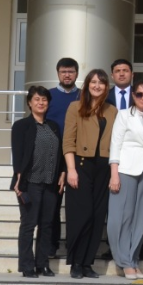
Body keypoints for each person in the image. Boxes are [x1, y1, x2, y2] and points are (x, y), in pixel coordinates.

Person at [61, 69, 117, 279]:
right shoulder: (75, 107)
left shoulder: (112, 111)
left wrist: (114, 172)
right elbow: (68, 141)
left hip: (103, 167)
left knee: (97, 216)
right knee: (81, 215)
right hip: (81, 166)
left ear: (106, 87)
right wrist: (71, 170)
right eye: (93, 82)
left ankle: (87, 263)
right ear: (86, 85)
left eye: (101, 82)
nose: (97, 86)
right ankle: (76, 262)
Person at [107, 80, 143, 280]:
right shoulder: (123, 115)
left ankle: (133, 259)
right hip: (126, 169)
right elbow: (115, 144)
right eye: (139, 94)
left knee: (141, 218)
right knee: (122, 217)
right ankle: (123, 260)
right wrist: (114, 173)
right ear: (133, 96)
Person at [10, 86, 65, 278]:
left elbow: (60, 153)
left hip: (50, 183)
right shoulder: (21, 126)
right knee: (29, 224)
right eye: (37, 99)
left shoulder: (54, 126)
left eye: (44, 100)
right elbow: (18, 154)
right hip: (29, 182)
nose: (41, 103)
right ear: (29, 103)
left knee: (47, 224)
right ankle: (27, 266)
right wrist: (18, 177)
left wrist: (63, 172)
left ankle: (42, 264)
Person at [103, 58, 143, 261]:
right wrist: (114, 171)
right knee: (118, 211)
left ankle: (139, 249)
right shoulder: (104, 97)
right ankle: (115, 249)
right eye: (118, 71)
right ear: (112, 75)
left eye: (125, 70)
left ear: (132, 74)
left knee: (140, 212)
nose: (122, 73)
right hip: (115, 162)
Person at [45, 57, 80, 258]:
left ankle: (73, 246)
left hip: (78, 156)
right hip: (53, 157)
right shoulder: (48, 96)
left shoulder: (83, 96)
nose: (67, 75)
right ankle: (51, 245)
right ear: (58, 73)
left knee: (76, 206)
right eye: (63, 72)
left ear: (77, 74)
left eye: (71, 71)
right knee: (53, 204)